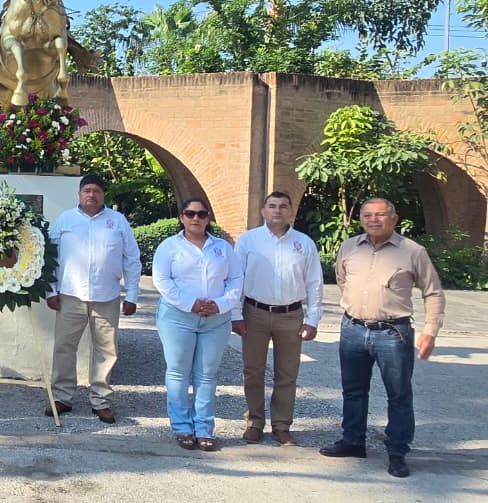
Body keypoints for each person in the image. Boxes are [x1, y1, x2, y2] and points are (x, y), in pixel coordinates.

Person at [320, 198, 445, 479]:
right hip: (353, 328)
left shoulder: (413, 251)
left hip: (393, 332)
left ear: (394, 218)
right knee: (353, 390)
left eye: (380, 215)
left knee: (398, 395)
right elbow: (342, 279)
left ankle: (397, 451)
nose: (373, 219)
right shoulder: (349, 247)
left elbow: (433, 292)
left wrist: (430, 332)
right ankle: (353, 441)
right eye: (367, 215)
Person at [45, 174, 141, 423]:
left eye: (97, 190)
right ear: (79, 194)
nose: (91, 195)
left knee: (106, 350)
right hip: (70, 295)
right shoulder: (66, 220)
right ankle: (61, 397)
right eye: (87, 190)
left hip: (106, 296)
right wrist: (51, 291)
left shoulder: (117, 222)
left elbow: (132, 258)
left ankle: (101, 400)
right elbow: (50, 258)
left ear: (103, 194)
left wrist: (132, 294)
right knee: (64, 347)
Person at [232, 191, 323, 446]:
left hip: (291, 315)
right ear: (263, 211)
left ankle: (282, 425)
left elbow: (314, 283)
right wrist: (235, 314)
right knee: (253, 371)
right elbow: (236, 279)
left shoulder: (304, 243)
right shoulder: (249, 241)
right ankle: (255, 421)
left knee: (287, 372)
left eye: (283, 206)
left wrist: (313, 318)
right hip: (255, 312)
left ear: (291, 211)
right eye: (272, 206)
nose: (277, 211)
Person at [152, 197, 243, 452]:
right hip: (178, 317)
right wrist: (190, 303)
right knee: (179, 371)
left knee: (207, 374)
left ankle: (204, 428)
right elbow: (162, 280)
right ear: (182, 217)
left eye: (201, 214)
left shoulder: (223, 248)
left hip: (216, 319)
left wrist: (221, 304)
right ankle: (181, 426)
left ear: (208, 218)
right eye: (190, 214)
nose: (195, 218)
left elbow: (236, 278)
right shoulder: (169, 247)